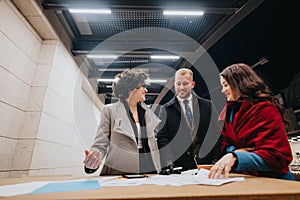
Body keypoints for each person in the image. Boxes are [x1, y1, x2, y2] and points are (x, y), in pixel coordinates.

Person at [208, 63, 295, 180]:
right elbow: (226, 144)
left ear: (238, 84)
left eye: (225, 85)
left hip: (274, 180)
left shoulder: (265, 110)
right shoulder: (228, 113)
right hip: (246, 177)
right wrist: (239, 152)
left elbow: (278, 156)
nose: (223, 90)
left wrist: (237, 156)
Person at [83, 69, 161, 175]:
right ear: (131, 88)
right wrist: (93, 159)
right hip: (120, 172)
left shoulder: (148, 113)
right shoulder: (109, 110)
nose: (146, 90)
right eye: (143, 87)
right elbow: (100, 145)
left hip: (151, 171)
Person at [156, 68, 222, 173]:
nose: (181, 88)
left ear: (193, 84)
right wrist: (169, 162)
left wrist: (216, 159)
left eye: (185, 84)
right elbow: (163, 138)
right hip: (179, 166)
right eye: (178, 84)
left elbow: (216, 134)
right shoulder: (166, 109)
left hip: (206, 164)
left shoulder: (207, 106)